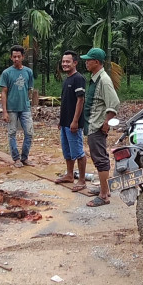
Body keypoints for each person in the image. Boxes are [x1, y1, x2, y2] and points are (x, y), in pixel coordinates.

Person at [80, 47, 119, 207]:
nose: (86, 62)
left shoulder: (104, 80)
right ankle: (104, 189)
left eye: (88, 60)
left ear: (96, 62)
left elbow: (114, 103)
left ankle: (103, 196)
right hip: (93, 124)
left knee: (100, 160)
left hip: (97, 125)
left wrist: (106, 122)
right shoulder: (96, 79)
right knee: (99, 157)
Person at [53, 51, 88, 192]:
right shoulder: (67, 79)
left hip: (74, 123)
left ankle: (82, 180)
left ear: (75, 63)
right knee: (67, 151)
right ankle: (69, 175)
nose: (65, 64)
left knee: (78, 152)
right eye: (63, 61)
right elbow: (65, 102)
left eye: (68, 61)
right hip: (65, 122)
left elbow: (80, 100)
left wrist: (75, 121)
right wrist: (61, 120)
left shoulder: (78, 78)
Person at [0, 45, 35, 168]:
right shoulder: (6, 73)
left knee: (29, 133)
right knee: (12, 133)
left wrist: (28, 103)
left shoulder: (28, 72)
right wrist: (4, 111)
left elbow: (29, 89)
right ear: (11, 57)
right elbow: (4, 92)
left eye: (18, 56)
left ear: (23, 57)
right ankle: (16, 159)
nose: (16, 59)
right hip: (11, 108)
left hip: (25, 108)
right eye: (14, 57)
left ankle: (25, 157)